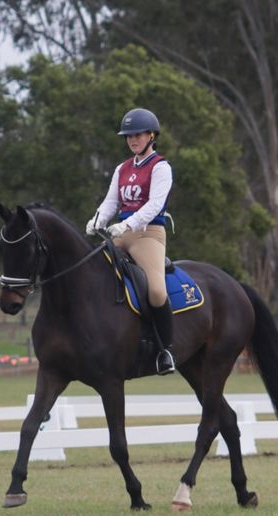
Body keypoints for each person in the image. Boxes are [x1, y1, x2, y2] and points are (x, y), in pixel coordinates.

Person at [85, 107, 175, 375]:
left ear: (151, 135)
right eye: (128, 136)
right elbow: (111, 201)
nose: (133, 140)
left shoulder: (161, 167)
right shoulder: (122, 168)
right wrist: (97, 220)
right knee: (91, 275)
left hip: (149, 234)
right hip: (120, 234)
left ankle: (166, 350)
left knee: (157, 291)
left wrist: (128, 223)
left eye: (137, 135)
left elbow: (155, 204)